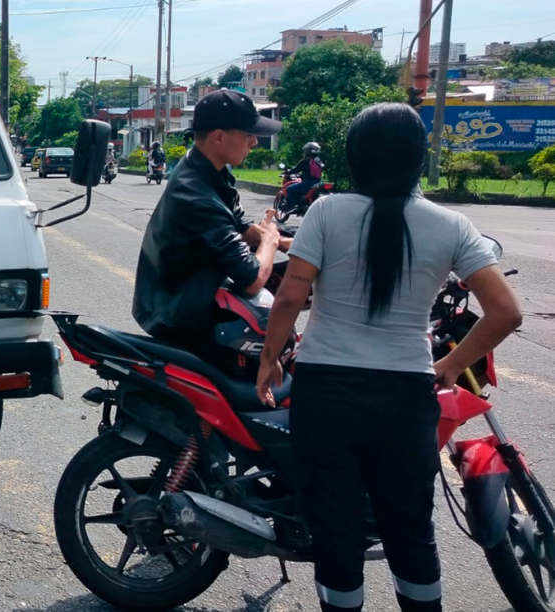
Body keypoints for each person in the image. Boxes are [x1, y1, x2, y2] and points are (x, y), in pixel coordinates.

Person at [256, 103, 522, 612]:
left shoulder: (326, 212)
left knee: (337, 528)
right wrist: (447, 366)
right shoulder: (451, 225)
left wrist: (271, 359)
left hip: (326, 392)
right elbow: (505, 313)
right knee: (410, 530)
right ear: (418, 157)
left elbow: (289, 298)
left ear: (355, 156)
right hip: (405, 397)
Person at [133, 89, 289, 351]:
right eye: (248, 134)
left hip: (191, 293)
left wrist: (284, 240)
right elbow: (251, 280)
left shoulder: (208, 170)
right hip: (179, 313)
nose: (254, 142)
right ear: (218, 136)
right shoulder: (195, 194)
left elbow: (236, 227)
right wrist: (270, 242)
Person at [284, 142, 325, 210]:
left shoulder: (305, 161)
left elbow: (295, 170)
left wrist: (287, 171)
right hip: (319, 182)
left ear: (308, 151)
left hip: (308, 183)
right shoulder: (319, 161)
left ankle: (292, 207)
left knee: (289, 189)